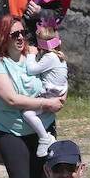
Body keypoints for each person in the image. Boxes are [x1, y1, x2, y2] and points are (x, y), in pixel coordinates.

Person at [0, 15, 66, 178]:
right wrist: (47, 104)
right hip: (13, 131)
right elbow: (11, 99)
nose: (20, 37)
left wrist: (62, 95)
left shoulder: (37, 54)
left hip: (43, 129)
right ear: (3, 36)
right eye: (14, 34)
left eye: (23, 33)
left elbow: (59, 72)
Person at [21, 16, 68, 156]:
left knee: (27, 113)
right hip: (57, 92)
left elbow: (32, 69)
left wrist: (30, 55)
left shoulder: (49, 57)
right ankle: (46, 137)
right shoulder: (60, 55)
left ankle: (44, 138)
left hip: (50, 94)